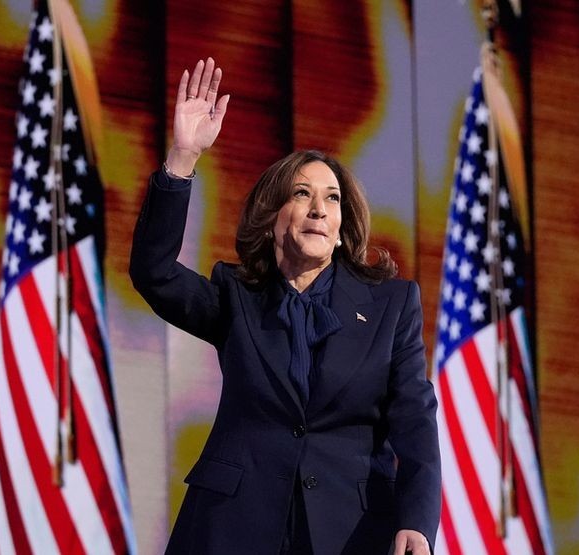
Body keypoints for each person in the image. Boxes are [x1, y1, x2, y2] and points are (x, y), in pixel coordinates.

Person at [130, 57, 441, 555]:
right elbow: (154, 273)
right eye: (302, 193)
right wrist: (182, 158)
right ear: (273, 218)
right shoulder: (236, 296)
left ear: (343, 229)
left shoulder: (392, 306)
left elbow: (416, 422)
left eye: (332, 198)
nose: (319, 208)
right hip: (231, 528)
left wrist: (419, 522)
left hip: (350, 532)